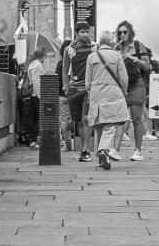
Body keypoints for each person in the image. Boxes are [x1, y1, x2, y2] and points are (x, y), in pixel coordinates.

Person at [85, 30, 130, 170]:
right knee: (111, 124)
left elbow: (87, 80)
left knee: (99, 126)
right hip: (112, 92)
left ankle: (100, 159)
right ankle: (104, 150)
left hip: (96, 93)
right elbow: (124, 79)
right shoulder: (116, 56)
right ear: (111, 41)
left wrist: (90, 93)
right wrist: (124, 92)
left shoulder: (91, 57)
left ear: (100, 41)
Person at [114, 20, 151, 161]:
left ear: (130, 32)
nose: (122, 35)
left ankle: (138, 151)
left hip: (136, 84)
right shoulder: (116, 48)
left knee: (136, 118)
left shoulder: (137, 45)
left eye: (125, 32)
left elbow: (146, 66)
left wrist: (133, 58)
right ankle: (115, 150)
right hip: (120, 85)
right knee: (119, 119)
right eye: (120, 32)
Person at [64, 22, 94, 162]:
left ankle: (86, 149)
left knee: (86, 118)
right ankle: (84, 148)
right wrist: (66, 88)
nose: (85, 34)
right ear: (76, 33)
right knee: (79, 122)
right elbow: (65, 70)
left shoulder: (94, 47)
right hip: (74, 88)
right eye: (82, 32)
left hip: (88, 89)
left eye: (87, 31)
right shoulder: (69, 49)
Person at [25, 46, 46, 147]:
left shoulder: (32, 64)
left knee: (36, 117)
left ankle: (33, 139)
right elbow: (37, 82)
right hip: (37, 95)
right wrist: (41, 96)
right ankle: (34, 139)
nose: (46, 57)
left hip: (34, 95)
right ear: (42, 55)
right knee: (40, 117)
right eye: (45, 55)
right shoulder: (37, 65)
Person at [57, 39, 73, 151]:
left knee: (64, 120)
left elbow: (57, 81)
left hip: (62, 95)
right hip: (74, 93)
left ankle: (68, 143)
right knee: (76, 118)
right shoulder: (73, 62)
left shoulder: (60, 63)